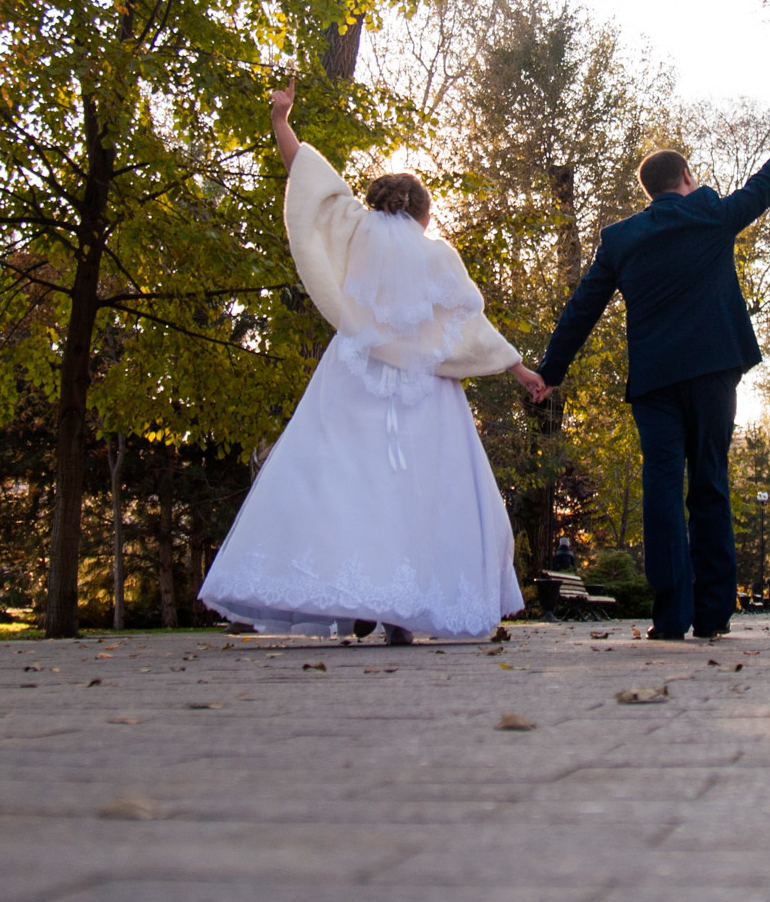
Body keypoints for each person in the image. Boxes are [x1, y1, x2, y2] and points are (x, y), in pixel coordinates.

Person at [198, 80, 550, 643]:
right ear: (424, 214)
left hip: (355, 374)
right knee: (421, 491)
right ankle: (400, 611)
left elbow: (308, 181)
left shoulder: (355, 229)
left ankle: (357, 592)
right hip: (423, 388)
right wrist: (519, 369)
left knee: (344, 479)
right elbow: (470, 326)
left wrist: (282, 121)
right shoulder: (437, 255)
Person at [535, 77, 770, 639]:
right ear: (686, 178)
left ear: (648, 192)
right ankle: (711, 615)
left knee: (661, 489)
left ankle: (669, 618)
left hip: (655, 382)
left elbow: (583, 307)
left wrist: (549, 373)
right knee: (709, 483)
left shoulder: (621, 239)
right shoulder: (711, 213)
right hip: (711, 372)